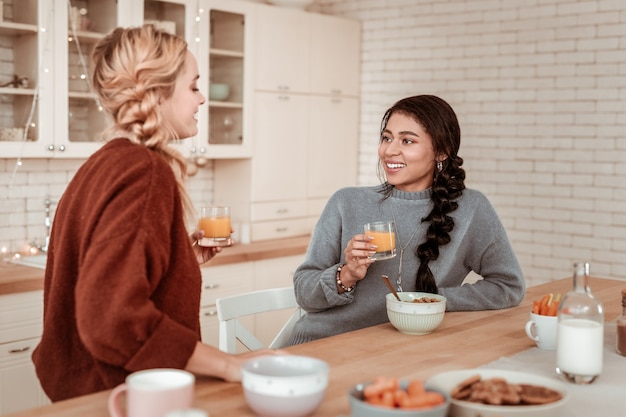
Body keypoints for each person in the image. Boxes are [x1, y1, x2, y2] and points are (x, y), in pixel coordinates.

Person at [32, 24, 279, 402]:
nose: (201, 100)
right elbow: (112, 318)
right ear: (157, 94)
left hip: (87, 391)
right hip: (121, 394)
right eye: (194, 86)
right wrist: (230, 364)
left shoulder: (103, 163)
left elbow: (107, 278)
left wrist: (179, 263)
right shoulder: (144, 171)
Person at [284, 94, 525, 346]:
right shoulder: (346, 202)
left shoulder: (471, 208)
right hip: (325, 345)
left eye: (407, 140)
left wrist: (431, 300)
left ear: (441, 152)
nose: (389, 150)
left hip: (405, 353)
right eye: (387, 138)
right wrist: (347, 275)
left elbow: (508, 287)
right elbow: (304, 293)